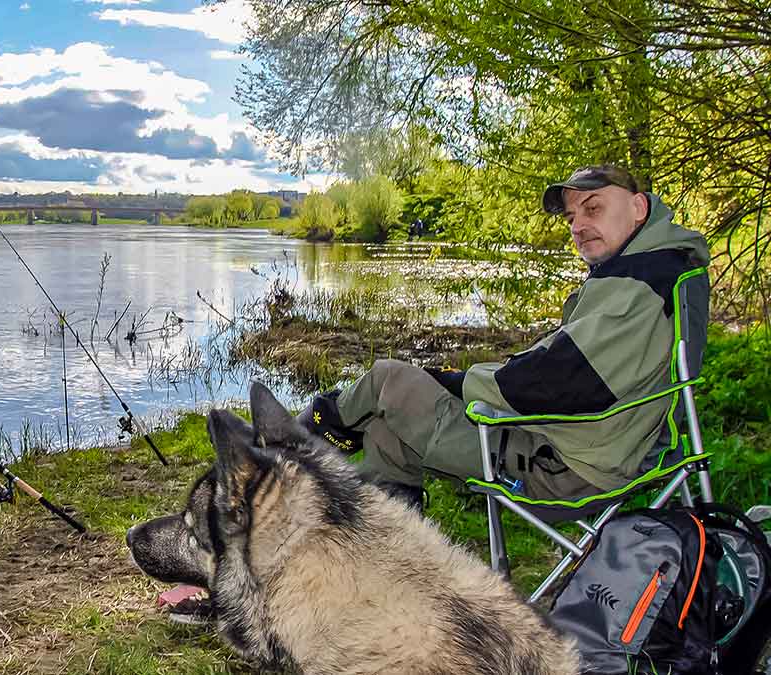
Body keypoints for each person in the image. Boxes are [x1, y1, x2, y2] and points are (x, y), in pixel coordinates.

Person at [302, 164, 711, 510]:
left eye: (593, 208)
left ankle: (290, 448)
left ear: (638, 207)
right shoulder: (654, 270)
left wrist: (459, 383)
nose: (579, 226)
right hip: (596, 446)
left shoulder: (638, 282)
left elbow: (560, 381)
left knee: (385, 379)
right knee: (385, 429)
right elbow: (568, 365)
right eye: (572, 218)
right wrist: (454, 380)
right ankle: (388, 551)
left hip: (568, 468)